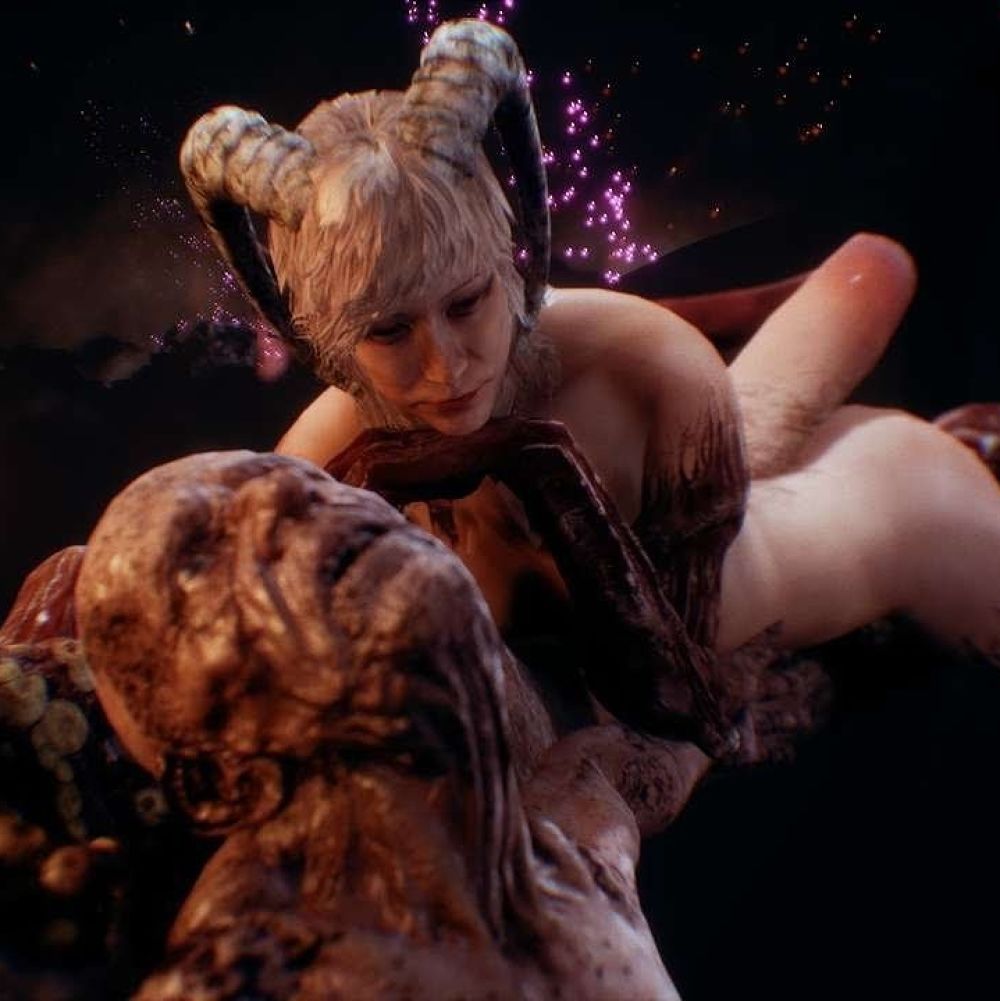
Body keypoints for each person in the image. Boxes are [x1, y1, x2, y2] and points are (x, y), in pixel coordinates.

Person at [180, 19, 1000, 675]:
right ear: (331, 340)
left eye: (467, 303)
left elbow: (675, 665)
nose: (446, 365)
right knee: (853, 287)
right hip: (694, 427)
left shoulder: (653, 366)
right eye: (389, 330)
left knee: (871, 275)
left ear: (510, 267)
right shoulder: (324, 458)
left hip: (888, 515)